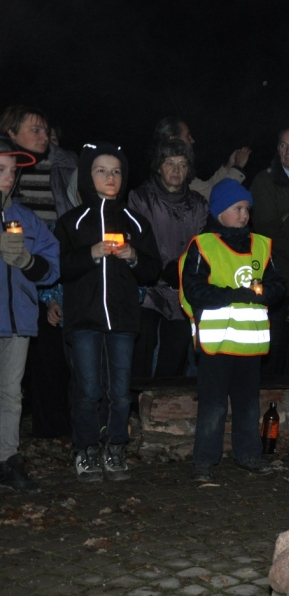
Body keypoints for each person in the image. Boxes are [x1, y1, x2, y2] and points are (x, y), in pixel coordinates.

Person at [54, 144, 161, 482]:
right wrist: (91, 253)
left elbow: (152, 270)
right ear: (88, 176)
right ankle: (86, 451)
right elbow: (58, 268)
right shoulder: (72, 221)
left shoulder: (136, 221)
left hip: (123, 321)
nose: (109, 176)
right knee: (87, 390)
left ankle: (115, 448)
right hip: (83, 319)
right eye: (101, 170)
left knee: (119, 391)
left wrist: (131, 257)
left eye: (115, 171)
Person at [179, 179, 286, 481]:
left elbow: (279, 284)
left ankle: (248, 454)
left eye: (247, 209)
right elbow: (194, 289)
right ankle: (204, 460)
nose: (244, 215)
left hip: (250, 346)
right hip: (216, 345)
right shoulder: (203, 245)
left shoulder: (263, 245)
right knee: (212, 405)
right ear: (219, 212)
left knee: (248, 403)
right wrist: (238, 293)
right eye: (237, 208)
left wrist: (263, 292)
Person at [0, 138, 60, 493]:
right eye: (1, 170)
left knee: (10, 394)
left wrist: (26, 262)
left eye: (12, 170)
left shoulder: (24, 218)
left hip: (19, 319)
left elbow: (52, 266)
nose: (9, 178)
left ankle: (8, 460)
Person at [128, 139, 209, 377]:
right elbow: (135, 238)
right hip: (148, 287)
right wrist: (157, 267)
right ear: (159, 166)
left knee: (175, 354)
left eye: (182, 164)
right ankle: (135, 403)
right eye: (169, 163)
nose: (176, 170)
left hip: (182, 288)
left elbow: (203, 244)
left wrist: (184, 268)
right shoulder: (140, 198)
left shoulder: (198, 204)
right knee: (141, 348)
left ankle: (165, 405)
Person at [250, 128, 289, 376]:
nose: (288, 151)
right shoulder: (264, 182)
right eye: (284, 145)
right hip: (277, 278)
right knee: (272, 351)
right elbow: (268, 228)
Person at [0, 106, 78, 224]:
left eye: (46, 132)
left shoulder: (63, 165)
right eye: (36, 130)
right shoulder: (6, 163)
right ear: (12, 133)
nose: (45, 138)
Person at [152, 117, 251, 201]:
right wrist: (238, 167)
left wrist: (229, 166)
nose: (192, 140)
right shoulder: (174, 174)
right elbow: (213, 196)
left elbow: (208, 188)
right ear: (173, 139)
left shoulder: (178, 169)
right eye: (187, 136)